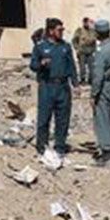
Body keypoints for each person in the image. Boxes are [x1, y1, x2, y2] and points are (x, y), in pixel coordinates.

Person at [30, 17, 76, 168]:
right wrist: (41, 64)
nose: (62, 32)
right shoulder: (41, 47)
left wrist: (75, 82)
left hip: (63, 87)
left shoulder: (66, 47)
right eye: (59, 30)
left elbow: (71, 66)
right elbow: (33, 65)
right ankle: (41, 146)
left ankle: (60, 147)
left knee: (63, 119)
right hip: (47, 86)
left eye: (62, 30)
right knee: (44, 118)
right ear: (51, 31)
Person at [90, 19, 110, 166]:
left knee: (102, 118)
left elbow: (98, 76)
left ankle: (107, 152)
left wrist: (93, 94)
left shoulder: (102, 51)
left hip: (105, 86)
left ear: (98, 33)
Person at [71, 17, 97, 87]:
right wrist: (77, 48)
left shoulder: (92, 31)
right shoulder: (79, 30)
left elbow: (96, 38)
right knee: (82, 68)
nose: (86, 23)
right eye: (85, 22)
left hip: (90, 51)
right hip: (82, 51)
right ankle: (83, 80)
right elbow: (74, 40)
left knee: (92, 67)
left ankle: (91, 80)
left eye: (87, 22)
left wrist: (94, 24)